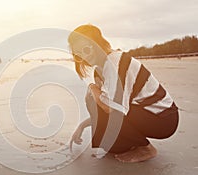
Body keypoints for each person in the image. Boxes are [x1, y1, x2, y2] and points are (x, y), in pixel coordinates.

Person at [68, 24, 179, 163]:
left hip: (163, 118)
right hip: (145, 113)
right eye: (78, 55)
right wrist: (82, 126)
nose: (84, 57)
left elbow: (109, 107)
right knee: (112, 146)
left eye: (86, 49)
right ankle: (133, 142)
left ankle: (146, 149)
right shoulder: (101, 68)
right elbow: (108, 106)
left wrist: (91, 87)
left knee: (94, 98)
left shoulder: (116, 63)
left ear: (97, 44)